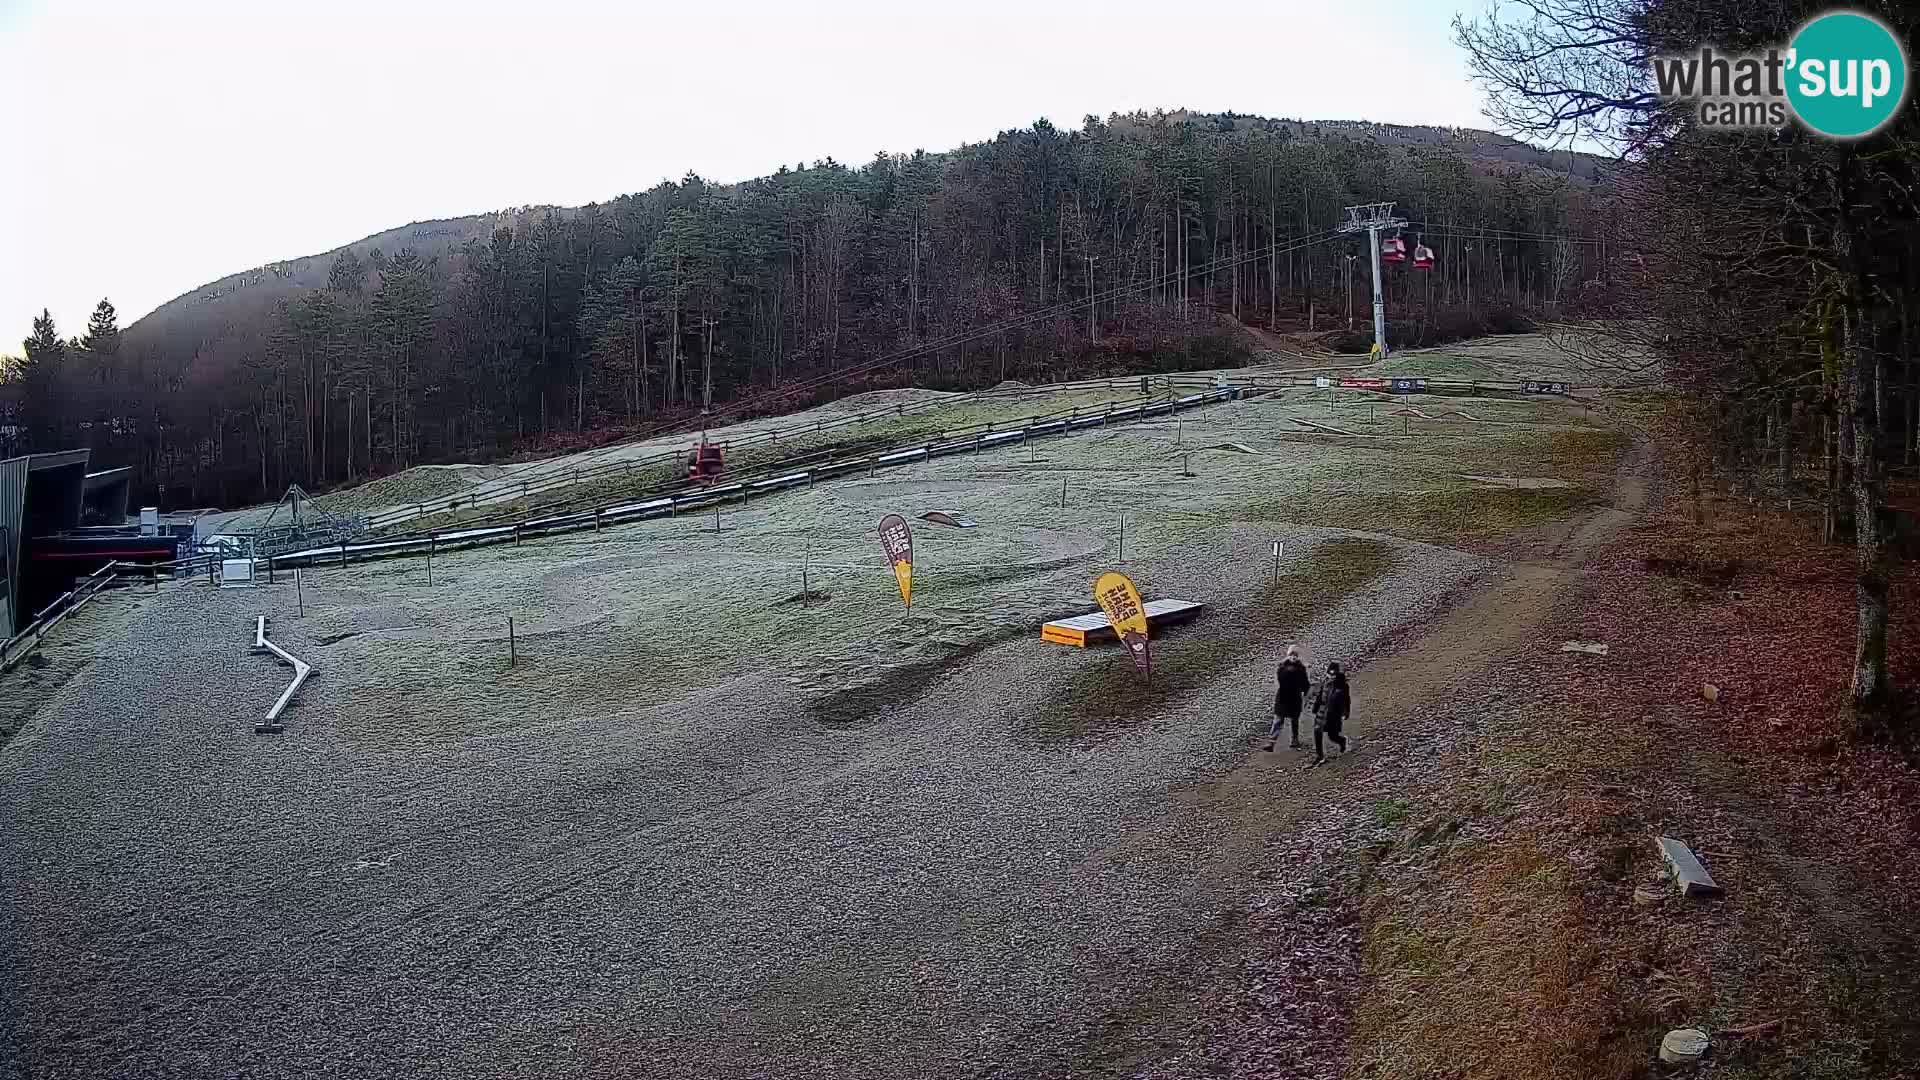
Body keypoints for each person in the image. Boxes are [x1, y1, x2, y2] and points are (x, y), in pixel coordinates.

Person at [1267, 645, 1312, 751]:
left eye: (1295, 655)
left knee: (1294, 721)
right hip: (1283, 698)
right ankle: (1271, 742)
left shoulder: (1300, 668)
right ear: (1288, 655)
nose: (1293, 657)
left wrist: (1305, 693)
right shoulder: (1283, 667)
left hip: (1294, 698)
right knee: (1278, 720)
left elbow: (1305, 684)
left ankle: (1294, 740)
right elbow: (1280, 679)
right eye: (1292, 655)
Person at [1307, 661, 1351, 768]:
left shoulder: (1342, 685)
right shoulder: (1324, 682)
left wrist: (1346, 712)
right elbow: (1320, 696)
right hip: (1321, 711)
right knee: (1317, 732)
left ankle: (1342, 741)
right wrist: (1315, 707)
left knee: (1332, 736)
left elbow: (1347, 700)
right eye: (1329, 674)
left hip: (1333, 714)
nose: (1331, 677)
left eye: (1333, 675)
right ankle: (1320, 755)